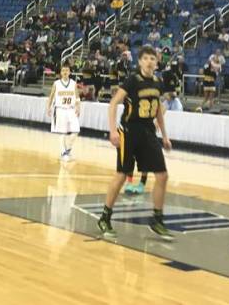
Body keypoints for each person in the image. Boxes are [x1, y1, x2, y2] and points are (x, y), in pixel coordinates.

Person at [98, 46, 174, 240]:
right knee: (122, 175)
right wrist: (113, 130)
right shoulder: (132, 80)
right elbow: (114, 103)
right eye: (146, 58)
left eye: (153, 59)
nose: (150, 62)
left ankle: (157, 220)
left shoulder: (158, 82)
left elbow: (158, 109)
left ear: (157, 63)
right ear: (140, 62)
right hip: (129, 131)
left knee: (163, 175)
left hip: (148, 131)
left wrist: (164, 135)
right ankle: (105, 217)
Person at [45, 64, 81, 161]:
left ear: (69, 72)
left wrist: (78, 107)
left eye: (67, 70)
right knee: (62, 132)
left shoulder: (73, 83)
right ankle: (63, 152)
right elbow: (51, 96)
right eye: (63, 70)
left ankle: (68, 149)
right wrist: (48, 107)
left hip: (71, 109)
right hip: (60, 109)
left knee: (76, 130)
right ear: (61, 73)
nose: (65, 72)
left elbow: (77, 97)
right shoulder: (56, 83)